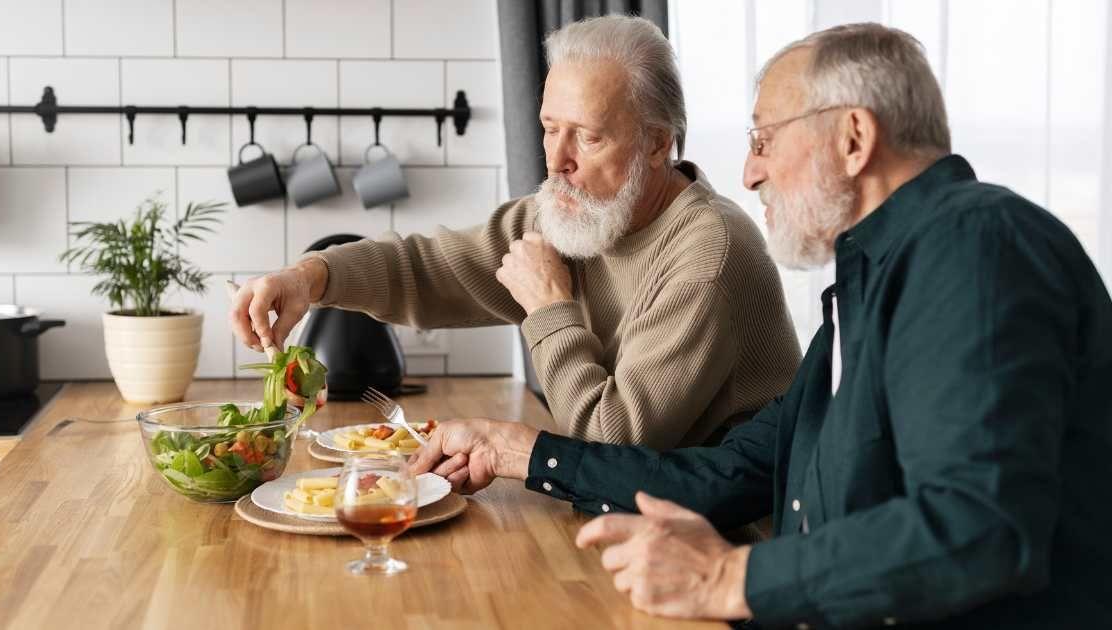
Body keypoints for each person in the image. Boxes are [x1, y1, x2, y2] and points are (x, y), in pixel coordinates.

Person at [408, 22, 1112, 627]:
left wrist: (727, 579)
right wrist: (518, 450)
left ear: (854, 137)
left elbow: (975, 530)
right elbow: (728, 474)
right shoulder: (870, 284)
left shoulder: (975, 246)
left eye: (764, 139)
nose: (746, 173)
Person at [231, 16, 800, 450]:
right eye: (550, 129)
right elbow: (430, 269)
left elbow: (613, 438)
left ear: (657, 143)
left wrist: (549, 308)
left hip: (724, 560)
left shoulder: (707, 253)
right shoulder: (584, 211)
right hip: (630, 525)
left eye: (588, 137)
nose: (557, 160)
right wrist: (311, 277)